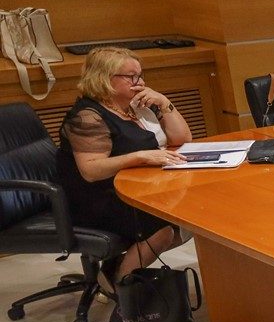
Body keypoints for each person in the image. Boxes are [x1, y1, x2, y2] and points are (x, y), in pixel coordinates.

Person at [56, 47, 193, 283]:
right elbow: (90, 170)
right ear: (104, 79)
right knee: (163, 227)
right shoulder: (88, 116)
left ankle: (115, 269)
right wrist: (140, 156)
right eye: (130, 77)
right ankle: (120, 288)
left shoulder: (136, 106)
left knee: (191, 216)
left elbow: (182, 139)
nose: (139, 82)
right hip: (97, 198)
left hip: (135, 188)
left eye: (140, 75)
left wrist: (164, 102)